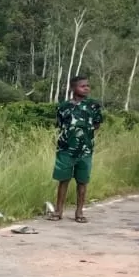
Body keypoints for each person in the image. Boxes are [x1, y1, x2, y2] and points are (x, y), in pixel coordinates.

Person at [48, 75, 102, 223]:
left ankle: (79, 212)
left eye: (88, 86)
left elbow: (97, 124)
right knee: (63, 180)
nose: (86, 88)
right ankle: (58, 211)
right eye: (82, 86)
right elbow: (60, 125)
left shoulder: (93, 105)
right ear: (73, 88)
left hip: (85, 150)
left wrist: (84, 134)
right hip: (65, 149)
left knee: (82, 181)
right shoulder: (63, 106)